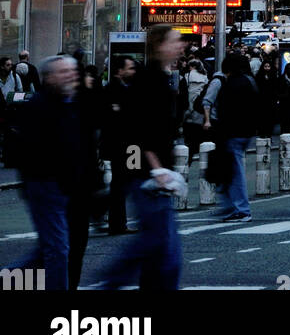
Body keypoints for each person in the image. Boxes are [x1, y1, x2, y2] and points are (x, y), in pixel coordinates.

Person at [106, 26, 186, 290]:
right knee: (159, 246)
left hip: (154, 171)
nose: (181, 46)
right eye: (176, 41)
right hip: (149, 174)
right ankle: (109, 283)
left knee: (160, 249)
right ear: (160, 45)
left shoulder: (160, 77)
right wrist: (157, 169)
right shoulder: (149, 79)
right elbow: (141, 128)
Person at [5, 55, 94, 289]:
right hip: (46, 186)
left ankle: (6, 279)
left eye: (72, 72)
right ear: (49, 77)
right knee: (57, 250)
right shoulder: (39, 106)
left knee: (49, 251)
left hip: (68, 189)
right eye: (64, 72)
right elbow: (26, 151)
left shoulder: (72, 104)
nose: (71, 76)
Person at [213, 53, 260, 223]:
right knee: (232, 170)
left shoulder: (231, 84)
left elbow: (225, 111)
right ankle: (232, 206)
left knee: (234, 171)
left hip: (232, 132)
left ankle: (241, 209)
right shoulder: (250, 81)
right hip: (246, 131)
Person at [102, 56, 139, 235]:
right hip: (121, 146)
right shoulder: (113, 90)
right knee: (121, 183)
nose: (133, 71)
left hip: (128, 146)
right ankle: (115, 222)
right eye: (130, 68)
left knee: (124, 183)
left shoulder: (127, 89)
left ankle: (118, 222)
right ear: (119, 71)